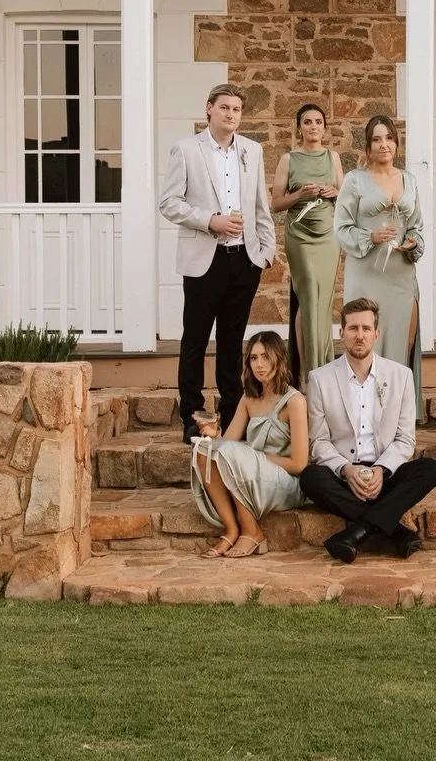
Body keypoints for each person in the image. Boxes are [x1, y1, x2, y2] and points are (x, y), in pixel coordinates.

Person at [158, 82, 275, 442]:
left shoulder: (252, 151)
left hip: (244, 260)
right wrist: (211, 220)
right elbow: (169, 202)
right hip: (203, 261)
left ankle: (232, 417)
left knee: (231, 341)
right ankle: (192, 417)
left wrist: (266, 251)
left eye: (237, 109)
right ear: (209, 109)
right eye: (224, 107)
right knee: (194, 340)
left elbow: (260, 205)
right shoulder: (187, 149)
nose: (231, 114)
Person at [298, 297, 436, 564]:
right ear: (341, 333)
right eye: (353, 329)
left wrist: (381, 470)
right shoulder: (320, 379)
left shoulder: (401, 376)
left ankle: (357, 532)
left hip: (386, 475)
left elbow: (405, 439)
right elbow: (319, 442)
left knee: (430, 469)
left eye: (366, 329)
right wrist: (347, 470)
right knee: (310, 478)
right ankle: (397, 532)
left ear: (377, 333)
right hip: (343, 477)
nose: (360, 336)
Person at [189, 330, 308, 558]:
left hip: (286, 482)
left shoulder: (294, 401)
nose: (259, 364)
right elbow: (226, 446)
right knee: (203, 449)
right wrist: (214, 434)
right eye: (254, 358)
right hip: (252, 475)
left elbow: (300, 464)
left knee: (234, 454)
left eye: (266, 357)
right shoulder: (248, 399)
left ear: (279, 359)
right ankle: (232, 528)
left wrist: (254, 460)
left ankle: (252, 531)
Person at [333, 113, 424, 402]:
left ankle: (399, 414)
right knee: (365, 340)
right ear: (368, 146)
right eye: (376, 139)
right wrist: (370, 237)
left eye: (389, 138)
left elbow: (418, 226)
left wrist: (412, 243)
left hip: (400, 274)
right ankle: (362, 411)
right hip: (366, 273)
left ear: (396, 143)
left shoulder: (409, 180)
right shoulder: (354, 180)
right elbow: (340, 228)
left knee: (402, 342)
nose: (383, 145)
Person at [271, 102, 341, 379]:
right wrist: (299, 194)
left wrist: (333, 191)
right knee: (309, 292)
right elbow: (275, 203)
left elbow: (345, 198)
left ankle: (324, 368)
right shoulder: (289, 159)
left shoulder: (332, 157)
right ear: (299, 127)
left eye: (318, 122)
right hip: (300, 235)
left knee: (322, 300)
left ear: (324, 127)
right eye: (308, 122)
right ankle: (307, 372)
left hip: (327, 235)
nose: (313, 126)